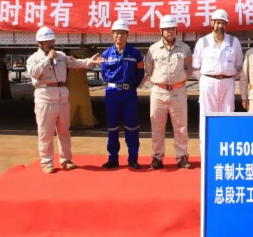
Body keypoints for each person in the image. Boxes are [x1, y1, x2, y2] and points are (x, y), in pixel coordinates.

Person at [26, 26, 102, 174]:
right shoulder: (33, 59)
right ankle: (47, 162)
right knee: (46, 133)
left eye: (52, 40)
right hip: (45, 98)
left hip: (62, 97)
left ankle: (66, 160)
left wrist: (89, 61)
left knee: (64, 131)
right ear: (39, 43)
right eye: (47, 41)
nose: (50, 43)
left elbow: (74, 63)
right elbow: (34, 73)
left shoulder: (60, 56)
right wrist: (48, 59)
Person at [145, 15, 193, 170]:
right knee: (157, 127)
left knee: (181, 126)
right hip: (159, 92)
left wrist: (179, 80)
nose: (170, 32)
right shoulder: (153, 49)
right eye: (167, 29)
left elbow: (189, 68)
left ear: (176, 30)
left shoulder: (184, 48)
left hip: (178, 92)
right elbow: (149, 70)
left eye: (172, 29)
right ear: (161, 31)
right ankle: (157, 157)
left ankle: (182, 157)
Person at [192, 9, 243, 140]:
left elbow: (239, 66)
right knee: (206, 115)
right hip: (208, 83)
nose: (220, 25)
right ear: (212, 23)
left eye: (223, 23)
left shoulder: (234, 42)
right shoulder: (202, 42)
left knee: (228, 114)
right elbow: (195, 67)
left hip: (228, 83)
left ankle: (225, 145)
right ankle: (206, 149)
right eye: (218, 22)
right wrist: (206, 79)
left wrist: (229, 78)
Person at [100, 19, 145, 169]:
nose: (120, 35)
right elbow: (104, 74)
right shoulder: (106, 54)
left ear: (127, 35)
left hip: (129, 94)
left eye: (123, 33)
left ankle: (133, 159)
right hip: (112, 93)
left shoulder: (135, 54)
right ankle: (113, 158)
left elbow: (140, 73)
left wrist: (131, 86)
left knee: (132, 127)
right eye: (117, 33)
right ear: (112, 35)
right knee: (112, 127)